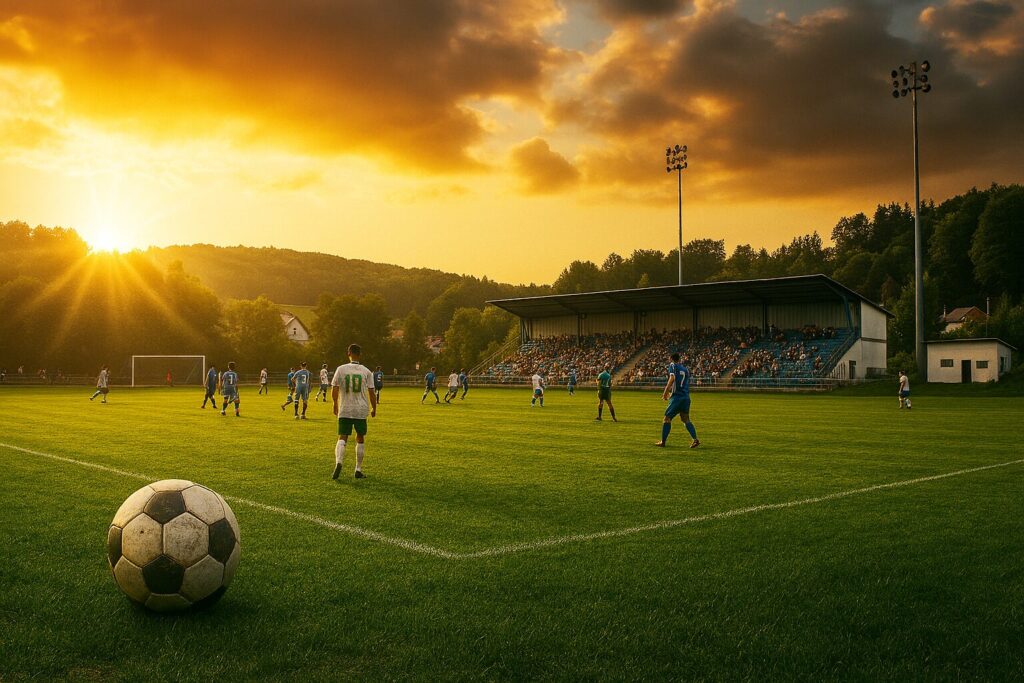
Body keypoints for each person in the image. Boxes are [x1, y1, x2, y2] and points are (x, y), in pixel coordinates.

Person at [331, 343, 377, 480]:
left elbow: (334, 388)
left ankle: (339, 461)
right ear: (360, 354)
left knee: (342, 436)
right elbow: (372, 392)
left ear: (348, 353)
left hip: (345, 408)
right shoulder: (367, 371)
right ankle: (358, 469)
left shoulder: (341, 369)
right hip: (360, 409)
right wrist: (374, 407)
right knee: (360, 438)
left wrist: (334, 404)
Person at [655, 353, 699, 448]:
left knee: (667, 419)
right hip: (686, 397)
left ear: (671, 358)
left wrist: (665, 393)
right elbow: (682, 383)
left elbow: (672, 379)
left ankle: (663, 442)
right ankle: (695, 439)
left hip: (677, 398)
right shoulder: (685, 369)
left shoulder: (672, 365)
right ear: (679, 359)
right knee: (685, 419)